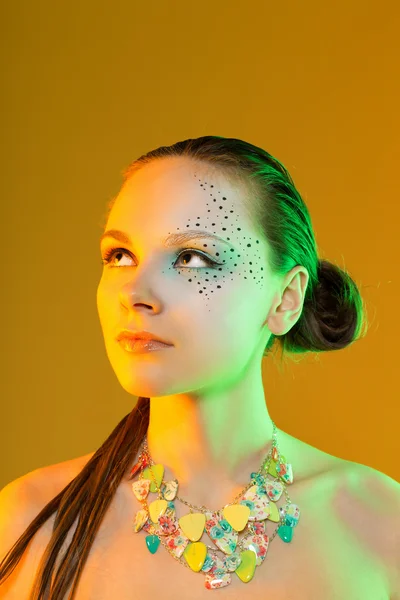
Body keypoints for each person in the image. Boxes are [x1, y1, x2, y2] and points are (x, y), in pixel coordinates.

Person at [0, 135, 398, 599]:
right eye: (120, 256)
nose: (135, 293)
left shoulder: (379, 526)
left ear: (285, 299)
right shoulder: (28, 521)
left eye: (192, 257)